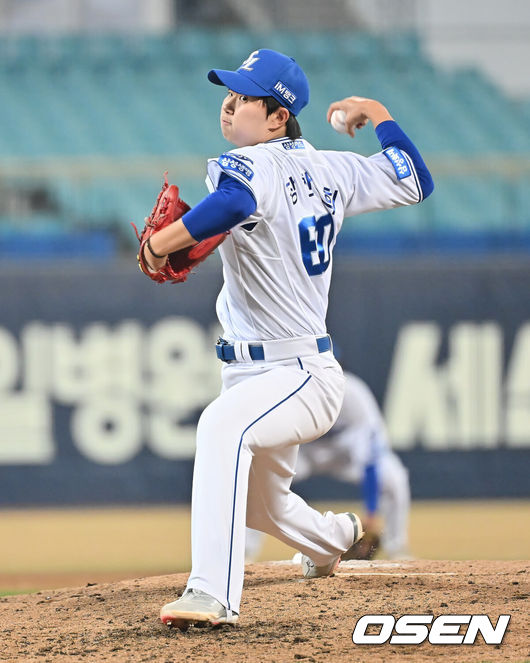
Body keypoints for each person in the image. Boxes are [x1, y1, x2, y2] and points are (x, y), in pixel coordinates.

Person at [144, 48, 433, 628]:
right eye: (229, 94)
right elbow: (415, 178)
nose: (230, 105)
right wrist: (375, 110)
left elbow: (233, 201)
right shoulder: (333, 169)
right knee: (263, 504)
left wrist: (159, 243)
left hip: (297, 372)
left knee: (220, 427)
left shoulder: (248, 165)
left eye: (245, 97)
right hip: (265, 373)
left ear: (279, 118)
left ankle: (212, 593)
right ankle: (334, 539)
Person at [245, 371, 411, 562]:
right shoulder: (293, 391)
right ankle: (246, 552)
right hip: (303, 454)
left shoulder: (354, 395)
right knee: (256, 479)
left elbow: (370, 461)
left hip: (343, 456)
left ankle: (397, 547)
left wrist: (371, 514)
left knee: (394, 478)